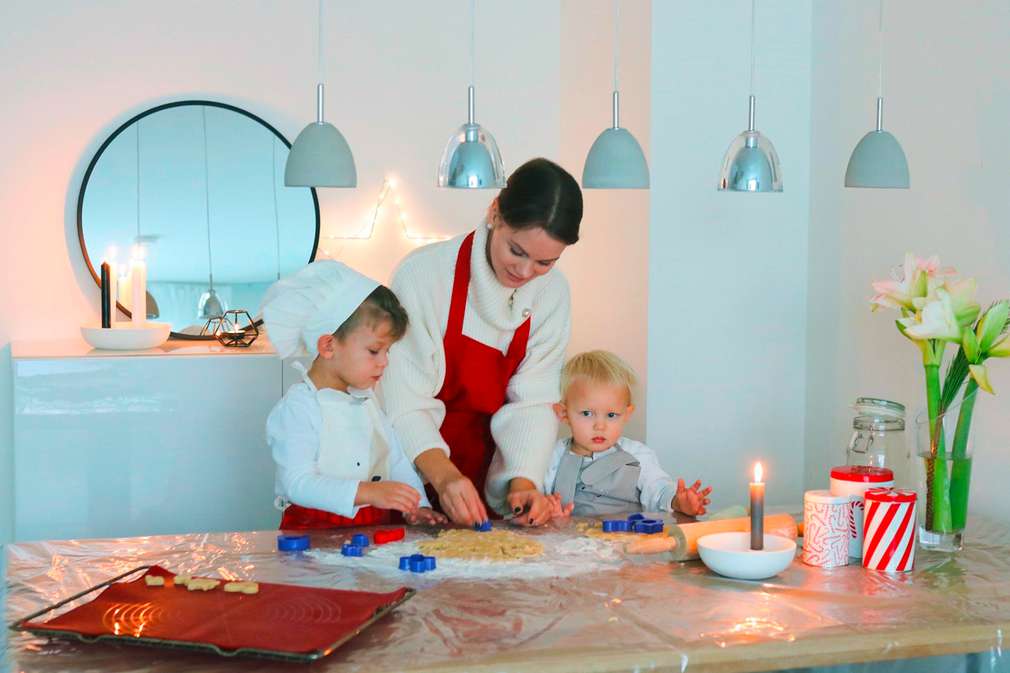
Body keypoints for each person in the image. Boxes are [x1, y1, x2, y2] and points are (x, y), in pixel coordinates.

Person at [381, 158, 582, 527]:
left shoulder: (553, 294)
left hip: (493, 478)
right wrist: (442, 476)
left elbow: (535, 401)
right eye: (517, 251)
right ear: (494, 214)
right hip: (414, 467)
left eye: (544, 262)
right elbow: (402, 397)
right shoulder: (423, 275)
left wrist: (522, 482)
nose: (524, 272)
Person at [262, 260, 446, 529]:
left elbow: (395, 459)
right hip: (313, 536)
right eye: (374, 351)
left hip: (372, 529)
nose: (384, 362)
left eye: (388, 352)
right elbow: (296, 483)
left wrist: (417, 506)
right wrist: (368, 492)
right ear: (328, 345)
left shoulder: (368, 400)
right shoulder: (300, 407)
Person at [544, 351, 712, 517]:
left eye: (611, 415)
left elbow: (658, 488)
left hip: (627, 540)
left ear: (626, 415)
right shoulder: (552, 456)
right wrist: (548, 511)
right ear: (563, 413)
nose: (600, 426)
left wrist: (678, 501)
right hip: (569, 541)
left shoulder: (637, 455)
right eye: (587, 413)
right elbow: (536, 499)